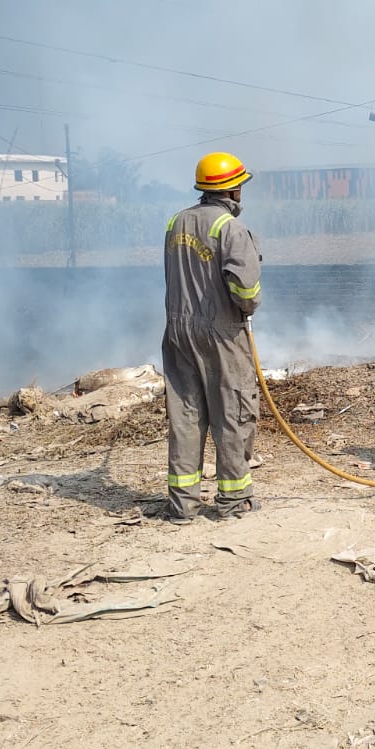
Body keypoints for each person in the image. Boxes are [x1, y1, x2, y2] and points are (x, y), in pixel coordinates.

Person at [162, 151, 263, 521]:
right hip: (220, 333)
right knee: (233, 413)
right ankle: (234, 500)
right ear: (232, 190)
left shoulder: (175, 223)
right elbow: (247, 293)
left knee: (185, 415)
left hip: (177, 331)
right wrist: (244, 307)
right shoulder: (230, 229)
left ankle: (182, 505)